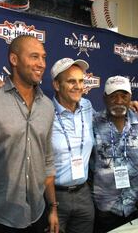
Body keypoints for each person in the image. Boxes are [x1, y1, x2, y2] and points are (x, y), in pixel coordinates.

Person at [0, 35, 59, 233]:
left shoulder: (47, 107)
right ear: (14, 60)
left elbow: (47, 161)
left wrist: (53, 208)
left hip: (37, 214)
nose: (41, 64)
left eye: (44, 57)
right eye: (34, 57)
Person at [91, 76, 138, 232]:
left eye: (124, 95)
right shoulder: (93, 122)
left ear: (131, 97)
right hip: (105, 207)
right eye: (113, 96)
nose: (119, 100)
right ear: (104, 98)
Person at [50, 58, 95, 233]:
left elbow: (107, 117)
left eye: (81, 81)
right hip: (55, 195)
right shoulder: (44, 110)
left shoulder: (87, 106)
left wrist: (128, 105)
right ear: (56, 85)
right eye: (71, 81)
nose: (78, 86)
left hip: (84, 194)